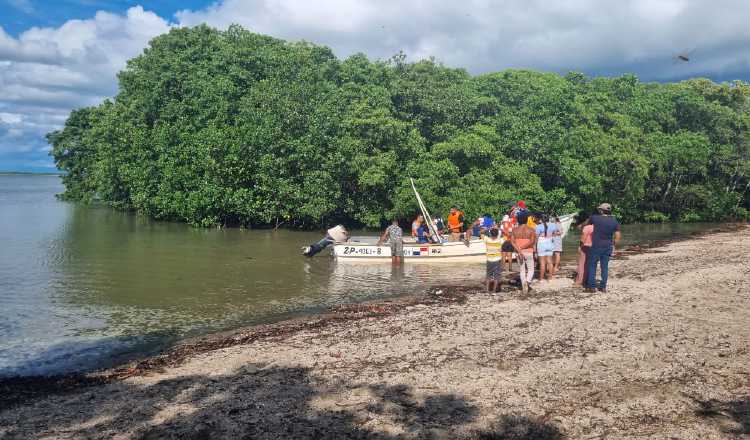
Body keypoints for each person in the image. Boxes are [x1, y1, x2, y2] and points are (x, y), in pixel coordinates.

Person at [585, 203, 621, 293]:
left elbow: (586, 225)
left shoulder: (594, 218)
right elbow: (617, 236)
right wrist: (613, 244)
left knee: (592, 265)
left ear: (601, 210)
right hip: (607, 246)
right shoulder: (614, 221)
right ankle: (603, 286)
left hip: (596, 245)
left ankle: (592, 286)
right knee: (604, 267)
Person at [511, 211, 537, 294]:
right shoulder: (531, 230)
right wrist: (523, 247)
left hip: (518, 252)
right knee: (531, 269)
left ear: (518, 220)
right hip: (528, 251)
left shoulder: (514, 230)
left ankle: (523, 285)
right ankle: (527, 282)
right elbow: (532, 242)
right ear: (526, 220)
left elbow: (512, 242)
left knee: (522, 270)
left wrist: (519, 249)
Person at [535, 214, 558, 281]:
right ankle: (550, 277)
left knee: (542, 263)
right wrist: (551, 236)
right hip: (550, 242)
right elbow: (556, 234)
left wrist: (535, 247)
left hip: (541, 243)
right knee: (550, 261)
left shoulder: (538, 226)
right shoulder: (553, 225)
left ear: (541, 219)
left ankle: (541, 278)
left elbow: (536, 238)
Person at [484, 227, 503, 293]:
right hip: (497, 260)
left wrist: (489, 228)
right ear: (497, 234)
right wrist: (499, 228)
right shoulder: (500, 240)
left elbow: (482, 233)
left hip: (489, 260)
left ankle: (487, 290)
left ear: (490, 234)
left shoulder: (486, 239)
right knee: (496, 276)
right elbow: (507, 235)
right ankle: (494, 290)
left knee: (488, 275)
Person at [575, 221, 594, 286]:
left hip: (586, 246)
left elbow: (583, 238)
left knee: (582, 264)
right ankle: (588, 279)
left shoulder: (587, 227)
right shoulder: (598, 227)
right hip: (594, 247)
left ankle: (579, 281)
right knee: (590, 264)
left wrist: (580, 246)